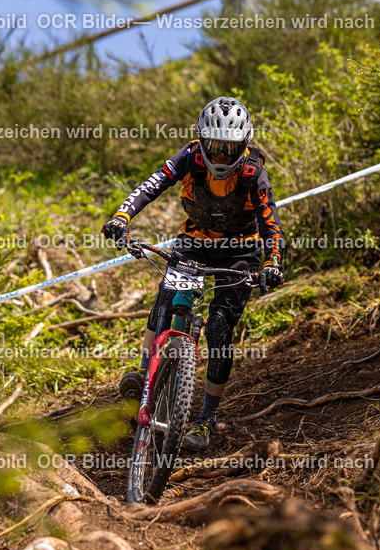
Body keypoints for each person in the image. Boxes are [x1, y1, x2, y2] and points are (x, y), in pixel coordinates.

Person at [101, 96, 285, 452]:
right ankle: (143, 373)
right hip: (195, 241)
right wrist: (122, 217)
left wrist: (271, 263)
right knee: (168, 294)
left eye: (228, 148)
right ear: (203, 141)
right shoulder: (189, 156)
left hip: (240, 250)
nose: (220, 156)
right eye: (214, 146)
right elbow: (152, 184)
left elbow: (270, 223)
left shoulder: (252, 172)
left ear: (243, 146)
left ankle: (206, 418)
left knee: (218, 328)